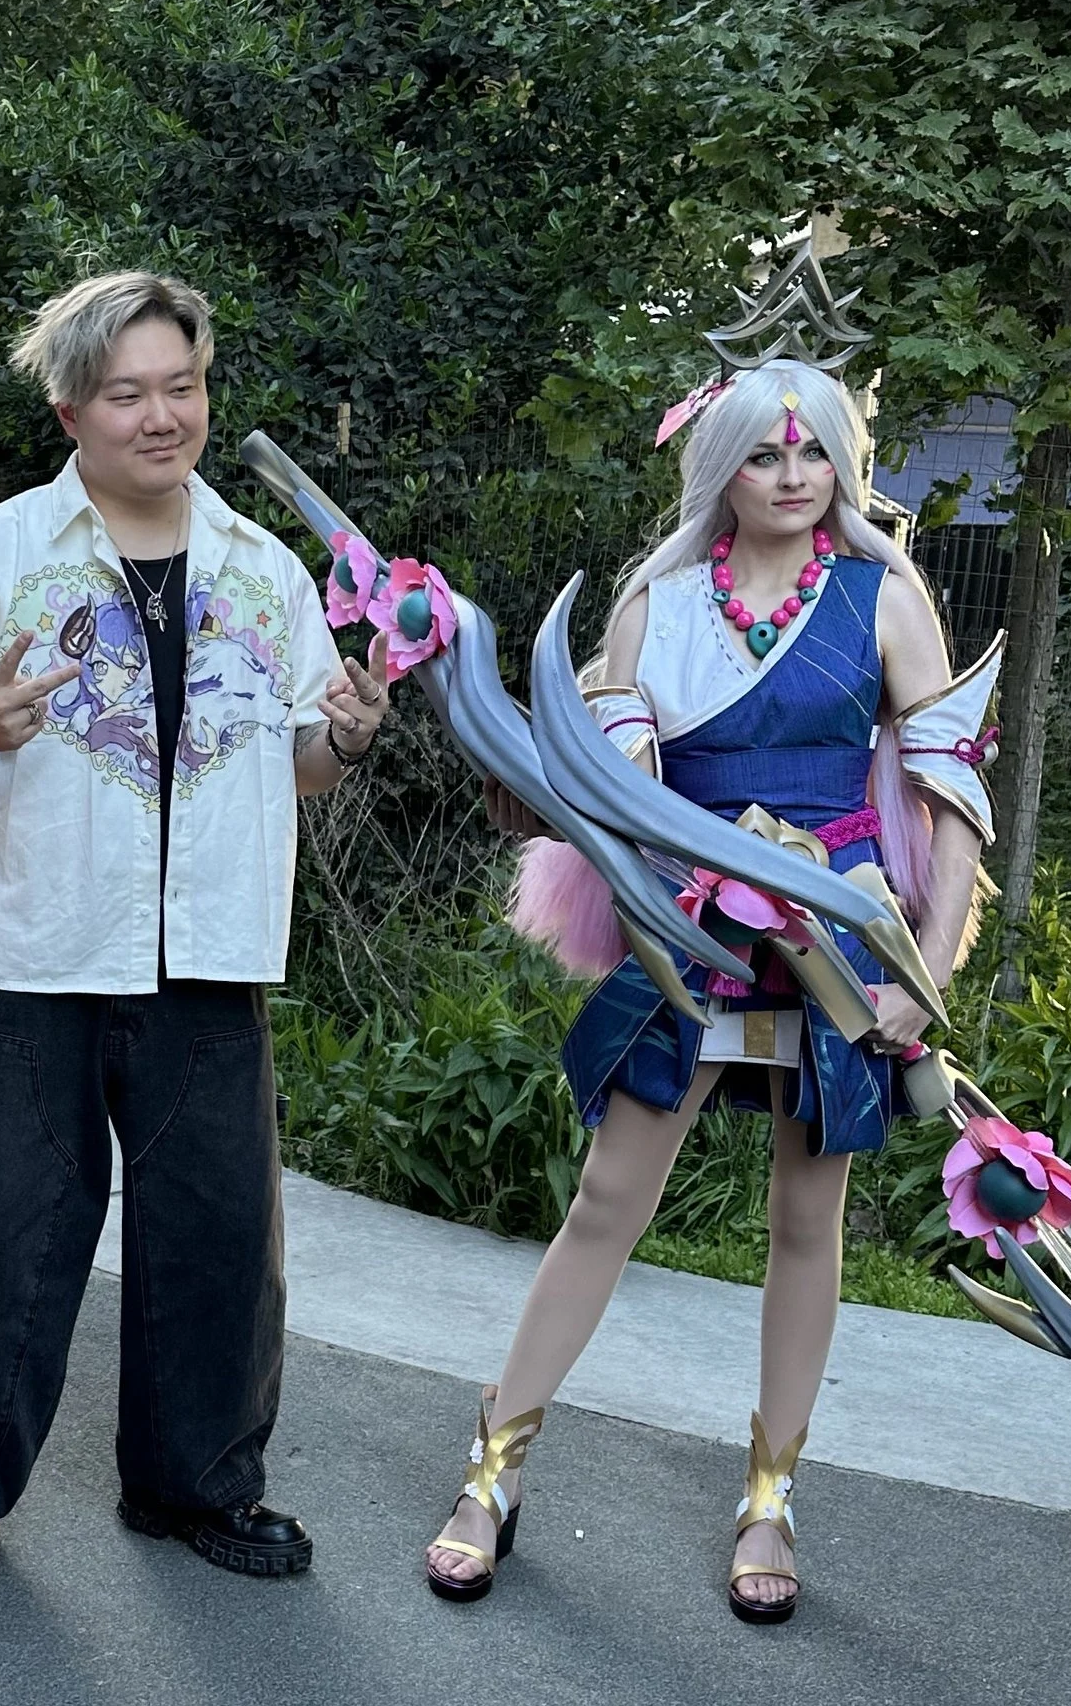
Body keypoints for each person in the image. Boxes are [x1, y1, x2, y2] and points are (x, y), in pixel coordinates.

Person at [423, 343, 999, 1624]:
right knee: (605, 1204)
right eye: (761, 449)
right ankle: (493, 1471)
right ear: (717, 464)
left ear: (840, 459)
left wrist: (930, 969)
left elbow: (949, 796)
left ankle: (770, 1498)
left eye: (812, 449)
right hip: (688, 931)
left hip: (840, 941)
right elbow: (606, 803)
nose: (791, 473)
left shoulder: (884, 595)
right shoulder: (654, 604)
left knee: (807, 1220)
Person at [0, 269, 393, 1601]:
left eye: (184, 386)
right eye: (129, 394)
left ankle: (195, 1483)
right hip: (29, 951)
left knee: (218, 1234)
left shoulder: (262, 571)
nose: (164, 417)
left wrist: (341, 733)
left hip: (208, 959)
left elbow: (296, 763)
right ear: (69, 409)